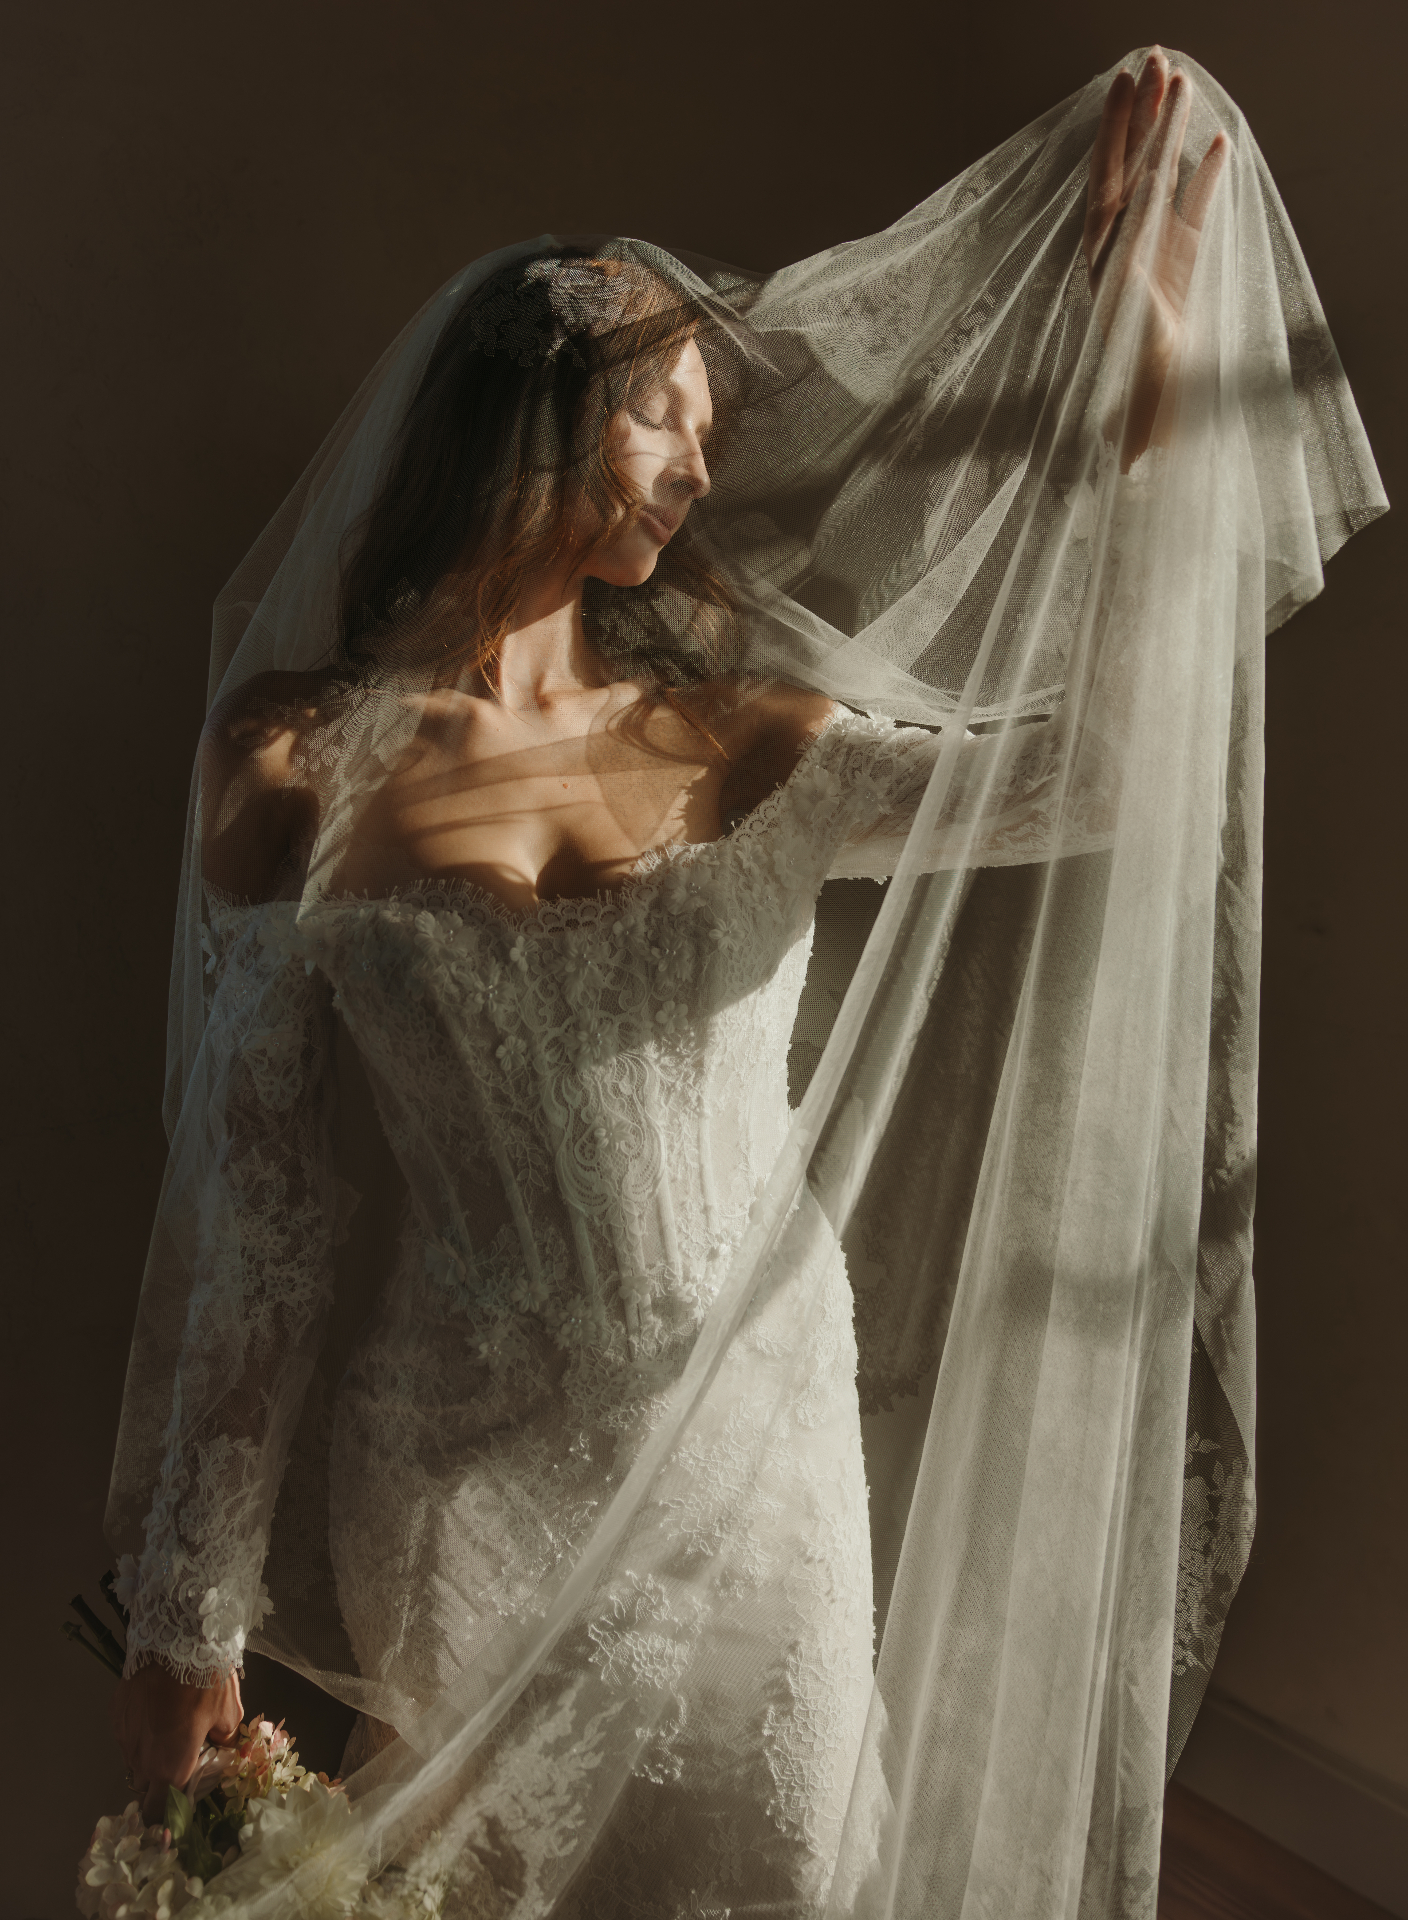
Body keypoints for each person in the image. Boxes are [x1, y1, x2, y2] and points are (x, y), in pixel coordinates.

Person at [102, 48, 1383, 1918]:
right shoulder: (297, 761)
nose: (703, 467)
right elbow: (265, 1224)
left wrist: (1149, 387)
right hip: (454, 1481)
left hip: (757, 1459)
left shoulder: (746, 737)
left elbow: (1103, 767)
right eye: (666, 418)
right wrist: (186, 1621)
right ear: (533, 425)